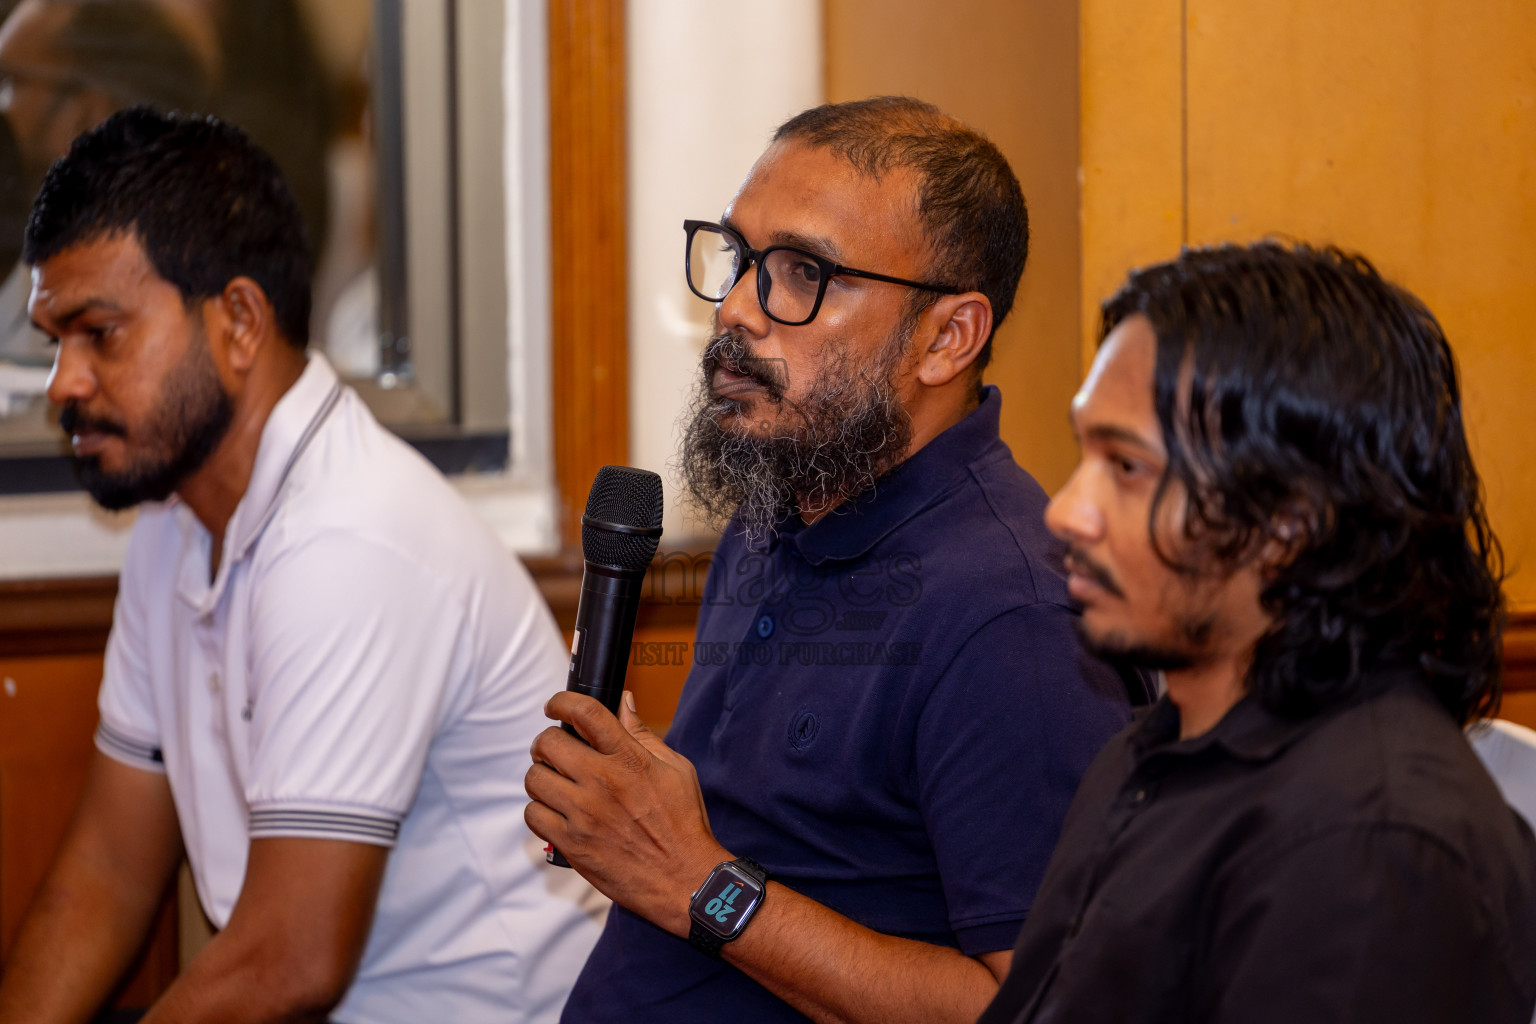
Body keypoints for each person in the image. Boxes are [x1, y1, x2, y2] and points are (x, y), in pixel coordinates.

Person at [525, 96, 1143, 1024]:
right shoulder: (780, 504)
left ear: (948, 338)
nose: (736, 308)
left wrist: (698, 883)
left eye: (802, 273)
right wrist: (638, 801)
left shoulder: (1017, 616)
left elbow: (1043, 1005)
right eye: (738, 258)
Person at [0, 109, 604, 1023]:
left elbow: (290, 961)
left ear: (239, 321)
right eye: (55, 341)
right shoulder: (174, 518)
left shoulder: (349, 538)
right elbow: (106, 876)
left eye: (100, 333)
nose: (64, 384)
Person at [978, 241, 1536, 1023]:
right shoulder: (1159, 744)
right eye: (1085, 453)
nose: (1066, 510)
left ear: (1288, 525)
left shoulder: (1368, 843)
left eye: (1128, 467)